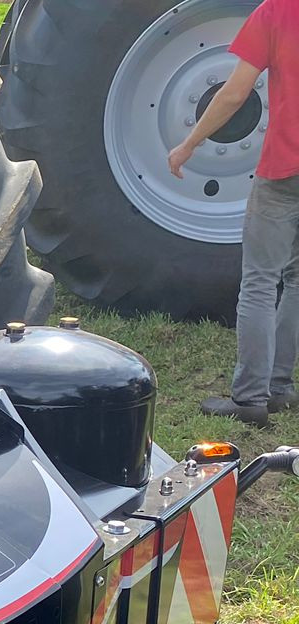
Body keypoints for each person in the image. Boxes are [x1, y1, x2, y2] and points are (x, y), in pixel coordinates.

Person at [170, 0, 299, 428]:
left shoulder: (277, 11)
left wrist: (188, 144)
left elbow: (233, 93)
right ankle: (280, 387)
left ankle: (250, 399)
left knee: (261, 281)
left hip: (285, 170)